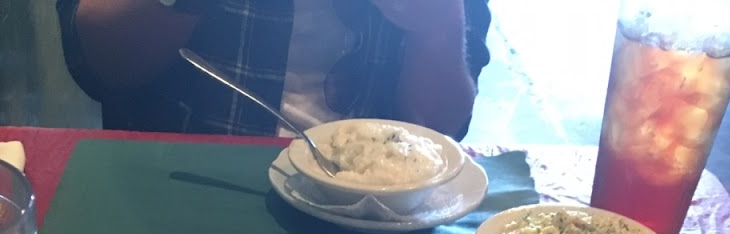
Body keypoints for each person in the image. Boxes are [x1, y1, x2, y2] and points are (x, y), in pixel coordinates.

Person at [56, 0, 490, 140]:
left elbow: (443, 129)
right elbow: (104, 66)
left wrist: (439, 25)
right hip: (184, 182)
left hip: (374, 205)